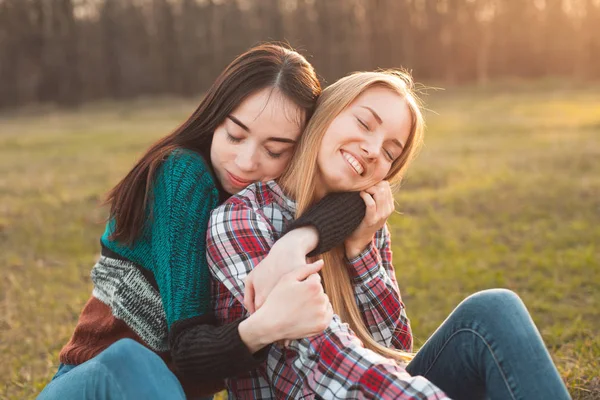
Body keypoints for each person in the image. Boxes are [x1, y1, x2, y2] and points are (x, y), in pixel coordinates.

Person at [207, 70, 572, 399]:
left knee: (493, 310)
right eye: (365, 124)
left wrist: (361, 251)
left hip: (372, 387)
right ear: (328, 111)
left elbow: (393, 346)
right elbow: (325, 361)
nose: (371, 150)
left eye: (389, 151)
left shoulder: (359, 219)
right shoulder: (241, 219)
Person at [38, 43, 344, 400]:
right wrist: (267, 325)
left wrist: (299, 238)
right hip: (98, 385)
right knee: (134, 359)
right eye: (235, 135)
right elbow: (187, 350)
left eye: (275, 150)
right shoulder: (184, 175)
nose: (246, 162)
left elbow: (349, 201)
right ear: (215, 117)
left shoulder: (272, 201)